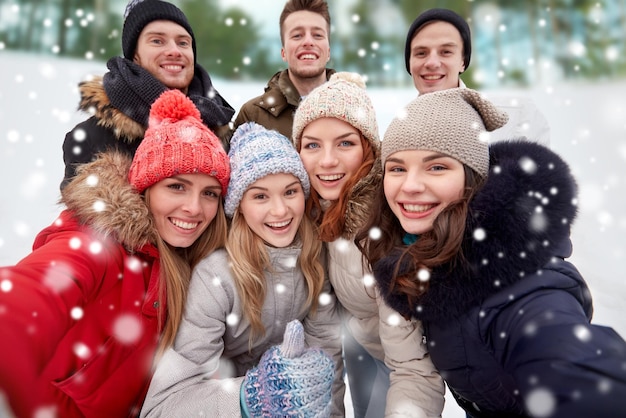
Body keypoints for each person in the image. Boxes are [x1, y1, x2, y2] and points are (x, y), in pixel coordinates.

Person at [355, 87, 626, 417]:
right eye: (397, 168)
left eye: (436, 167)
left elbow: (581, 375)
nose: (410, 185)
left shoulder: (521, 287)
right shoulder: (426, 252)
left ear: (473, 178)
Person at [0, 89, 230, 418]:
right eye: (176, 186)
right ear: (145, 189)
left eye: (209, 193)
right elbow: (36, 289)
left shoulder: (198, 265)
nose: (194, 208)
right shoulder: (99, 243)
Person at [139, 122, 345, 417]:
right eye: (260, 196)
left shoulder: (312, 261)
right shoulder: (216, 277)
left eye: (290, 192)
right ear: (240, 207)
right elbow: (165, 405)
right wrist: (250, 399)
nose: (280, 211)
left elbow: (326, 367)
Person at [293, 72, 444, 417]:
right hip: (360, 342)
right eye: (312, 144)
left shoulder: (383, 231)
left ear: (369, 150)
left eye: (345, 143)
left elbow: (414, 370)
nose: (327, 161)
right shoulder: (313, 213)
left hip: (396, 361)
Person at [60, 0, 234, 189]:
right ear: (135, 55)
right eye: (157, 41)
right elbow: (83, 216)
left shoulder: (224, 131)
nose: (174, 51)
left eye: (183, 43)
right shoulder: (94, 138)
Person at [405, 8, 550, 145]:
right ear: (410, 63)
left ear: (463, 62)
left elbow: (546, 170)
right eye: (421, 53)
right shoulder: (400, 133)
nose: (432, 63)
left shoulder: (516, 116)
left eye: (446, 52)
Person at [232, 0, 335, 140]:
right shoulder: (253, 115)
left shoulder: (355, 107)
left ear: (328, 52)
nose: (308, 42)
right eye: (297, 35)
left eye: (317, 35)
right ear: (283, 53)